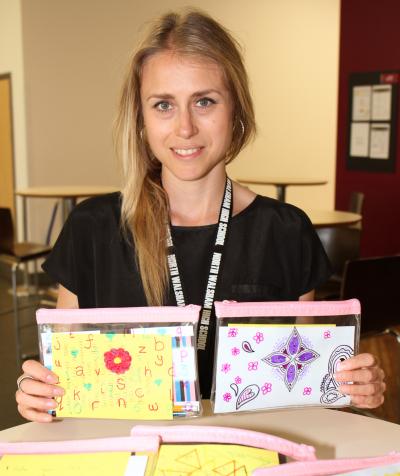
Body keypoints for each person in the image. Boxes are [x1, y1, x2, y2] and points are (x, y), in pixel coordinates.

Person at [16, 9, 385, 423]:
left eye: (205, 101)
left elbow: (312, 390)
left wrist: (350, 386)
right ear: (141, 118)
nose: (185, 127)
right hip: (125, 454)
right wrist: (39, 392)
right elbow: (64, 379)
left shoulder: (285, 231)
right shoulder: (93, 228)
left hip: (250, 454)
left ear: (237, 111)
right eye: (163, 105)